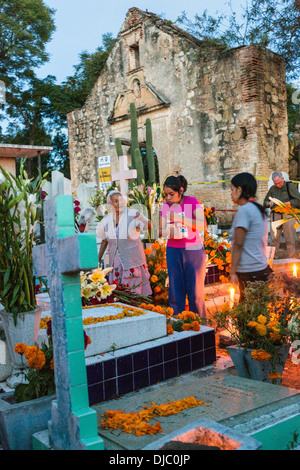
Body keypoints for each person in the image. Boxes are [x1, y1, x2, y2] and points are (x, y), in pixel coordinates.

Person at [159, 175, 207, 317]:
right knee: (175, 289)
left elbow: (202, 225)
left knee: (195, 292)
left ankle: (200, 324)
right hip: (173, 250)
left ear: (181, 190)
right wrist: (170, 232)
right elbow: (160, 230)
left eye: (171, 194)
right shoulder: (165, 206)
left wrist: (180, 218)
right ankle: (178, 322)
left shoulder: (192, 201)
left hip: (193, 250)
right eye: (166, 195)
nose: (168, 198)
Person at [96, 190, 152, 296]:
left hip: (132, 259)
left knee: (135, 291)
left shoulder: (132, 214)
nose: (120, 203)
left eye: (121, 200)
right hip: (116, 261)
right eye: (116, 201)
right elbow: (104, 240)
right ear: (110, 205)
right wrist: (98, 258)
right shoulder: (106, 219)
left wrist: (139, 219)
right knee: (118, 292)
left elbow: (148, 225)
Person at [230, 172, 272, 302]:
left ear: (239, 190)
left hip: (249, 271)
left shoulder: (245, 210)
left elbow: (238, 244)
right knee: (259, 314)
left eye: (232, 190)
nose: (231, 194)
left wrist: (232, 271)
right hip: (262, 268)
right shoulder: (258, 208)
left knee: (247, 316)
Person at [263, 171, 300, 259]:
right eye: (276, 183)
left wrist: (289, 203)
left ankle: (291, 258)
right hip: (275, 215)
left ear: (283, 179)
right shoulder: (272, 188)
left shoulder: (289, 186)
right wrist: (269, 203)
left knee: (290, 238)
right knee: (274, 239)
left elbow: (298, 200)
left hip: (288, 215)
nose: (278, 185)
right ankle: (272, 258)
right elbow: (265, 202)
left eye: (279, 182)